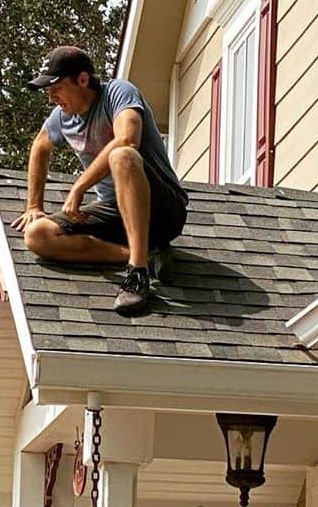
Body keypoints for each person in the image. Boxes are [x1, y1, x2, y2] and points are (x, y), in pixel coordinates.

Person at [13, 46, 188, 316]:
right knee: (37, 236)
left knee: (122, 155)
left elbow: (128, 138)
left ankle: (137, 273)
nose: (51, 98)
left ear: (82, 80)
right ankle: (141, 256)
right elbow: (40, 146)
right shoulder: (62, 118)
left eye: (56, 88)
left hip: (163, 209)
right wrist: (33, 206)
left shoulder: (118, 93)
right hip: (116, 211)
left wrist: (80, 186)